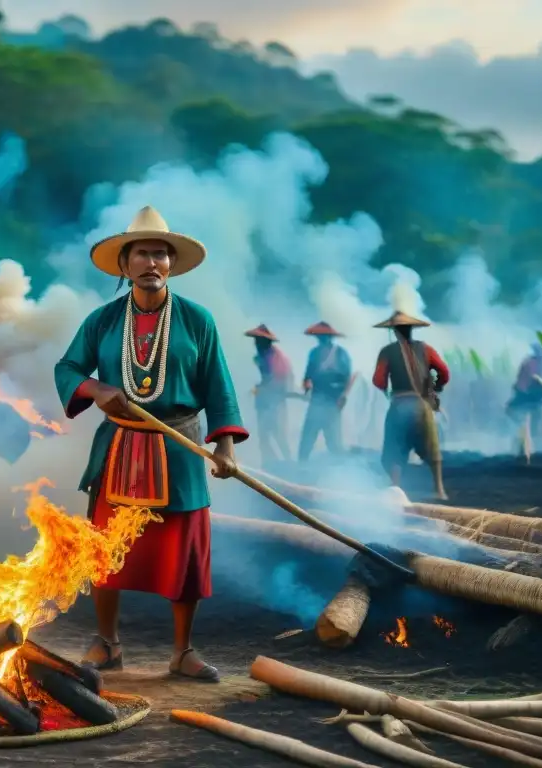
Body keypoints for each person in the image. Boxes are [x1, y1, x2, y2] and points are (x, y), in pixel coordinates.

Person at [54, 205, 248, 682]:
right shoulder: (102, 320)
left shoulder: (197, 320)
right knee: (103, 547)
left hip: (180, 446)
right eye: (142, 254)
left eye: (160, 254)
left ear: (171, 263)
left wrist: (225, 446)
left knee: (184, 551)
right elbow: (68, 369)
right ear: (124, 265)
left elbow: (219, 385)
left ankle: (183, 651)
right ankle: (107, 643)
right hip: (119, 446)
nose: (152, 263)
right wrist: (98, 390)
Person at [371, 311, 450, 499]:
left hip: (399, 404)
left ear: (395, 331)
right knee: (432, 448)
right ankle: (439, 490)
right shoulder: (426, 349)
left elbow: (378, 380)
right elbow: (444, 372)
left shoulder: (387, 351)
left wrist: (386, 389)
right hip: (421, 405)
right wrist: (436, 387)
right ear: (410, 330)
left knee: (395, 447)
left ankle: (395, 488)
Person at [298, 321, 353, 461]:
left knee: (333, 441)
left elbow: (347, 377)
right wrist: (306, 387)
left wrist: (343, 396)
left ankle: (341, 470)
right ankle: (301, 466)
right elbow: (307, 377)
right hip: (316, 400)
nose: (322, 339)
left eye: (324, 337)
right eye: (320, 337)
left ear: (330, 338)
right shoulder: (314, 353)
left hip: (333, 402)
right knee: (307, 438)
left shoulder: (341, 354)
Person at [246, 324, 293, 466]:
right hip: (265, 401)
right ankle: (268, 464)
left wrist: (262, 389)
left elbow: (279, 381)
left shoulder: (277, 358)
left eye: (258, 340)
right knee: (264, 437)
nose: (255, 343)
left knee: (279, 435)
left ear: (265, 342)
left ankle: (289, 464)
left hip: (275, 402)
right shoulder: (262, 356)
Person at [507, 342, 542, 449]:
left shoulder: (532, 362)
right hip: (526, 395)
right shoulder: (532, 363)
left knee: (531, 421)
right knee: (525, 420)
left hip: (527, 396)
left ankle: (528, 442)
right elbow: (534, 377)